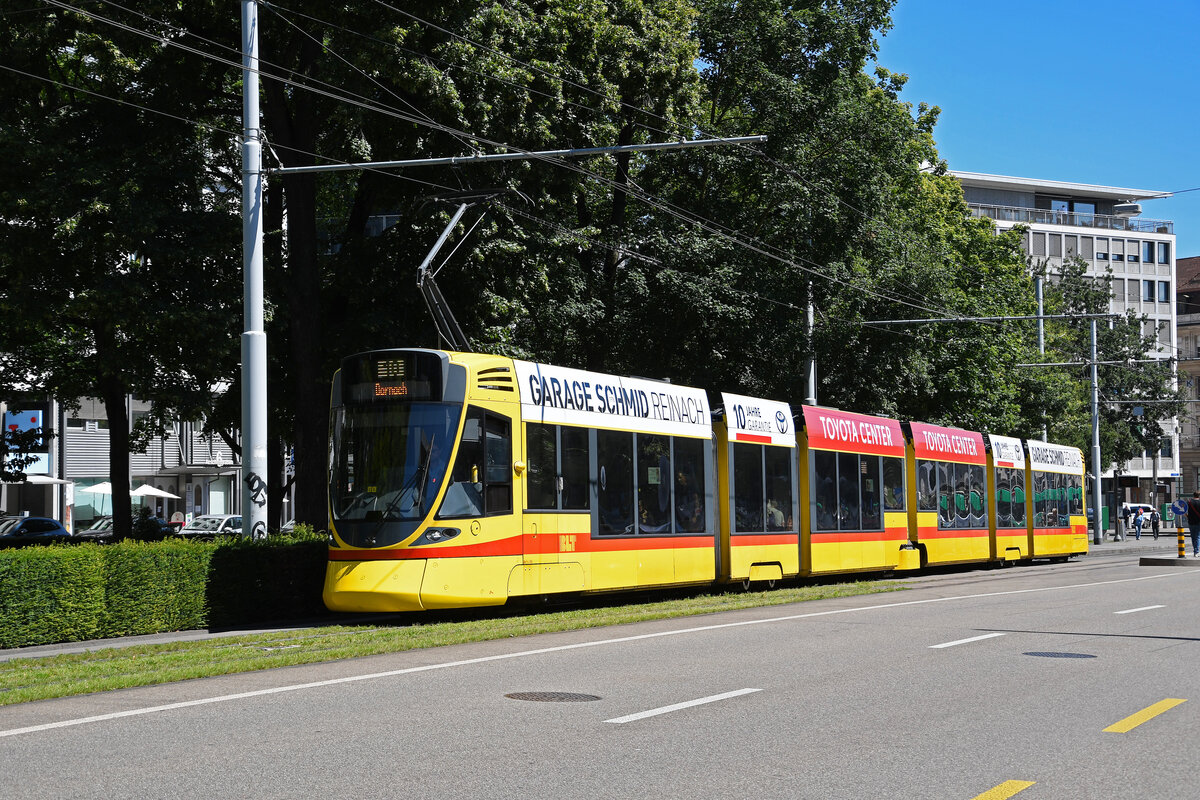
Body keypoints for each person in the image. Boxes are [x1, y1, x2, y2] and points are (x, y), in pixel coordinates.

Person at [1187, 492, 1200, 558]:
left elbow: (1184, 511)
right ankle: (1196, 551)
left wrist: (1187, 516)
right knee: (1197, 537)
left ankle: (1195, 549)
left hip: (1191, 522)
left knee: (1193, 537)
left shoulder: (1189, 502)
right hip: (1198, 522)